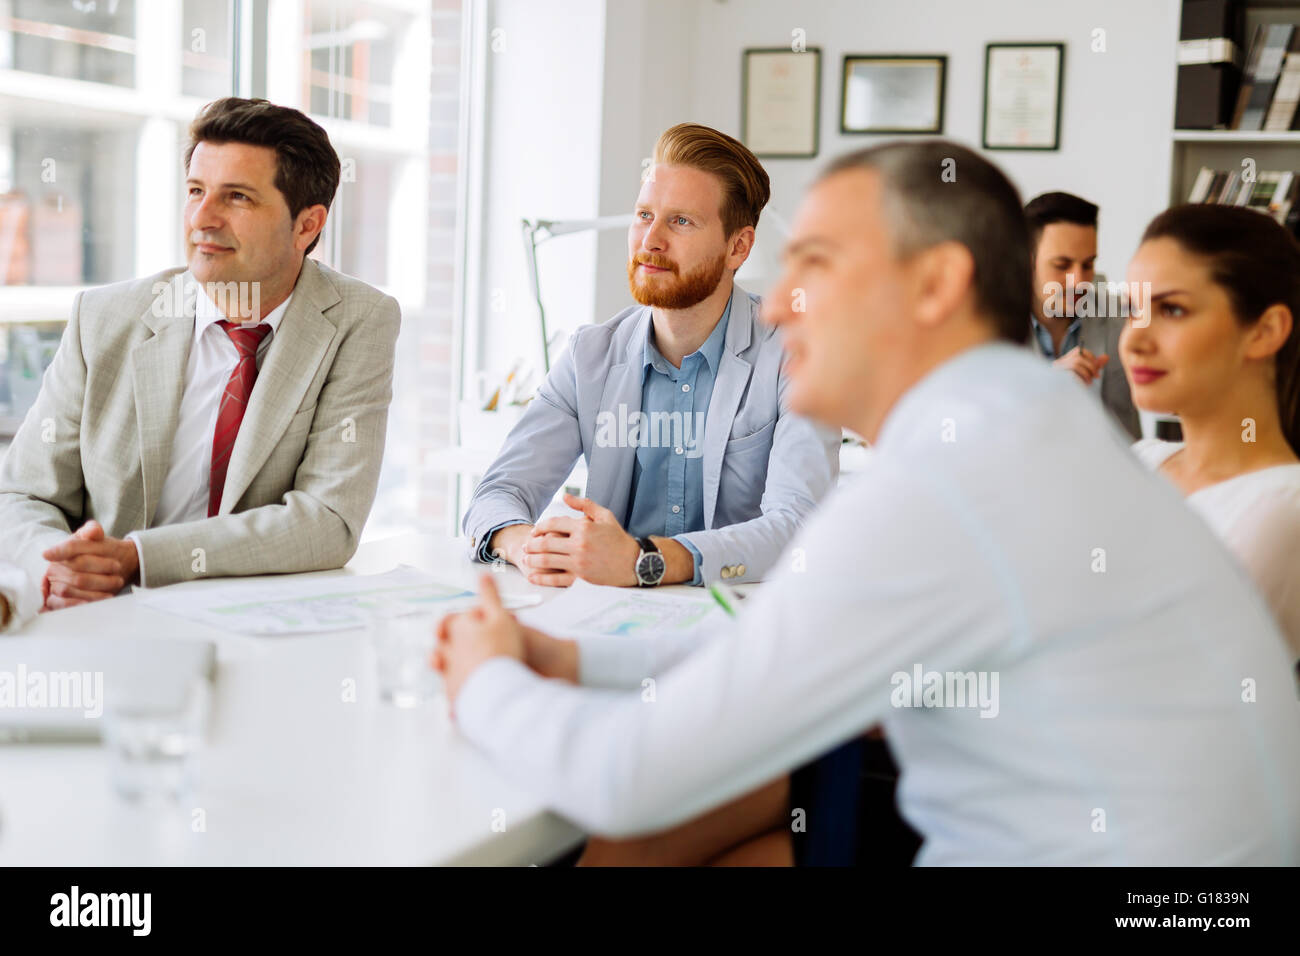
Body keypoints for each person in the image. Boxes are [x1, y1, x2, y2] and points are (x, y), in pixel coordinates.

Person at [434, 140, 1300, 866]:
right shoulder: (1015, 426)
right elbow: (768, 642)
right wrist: (569, 660)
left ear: (934, 286)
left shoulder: (947, 484)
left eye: (816, 264)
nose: (782, 301)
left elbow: (623, 778)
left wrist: (482, 679)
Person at [0, 98, 400, 612]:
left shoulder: (358, 320)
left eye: (237, 197)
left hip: (257, 625)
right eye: (195, 191)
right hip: (104, 614)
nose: (202, 219)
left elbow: (327, 520)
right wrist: (56, 561)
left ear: (306, 226)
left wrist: (138, 556)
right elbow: (23, 495)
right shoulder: (103, 317)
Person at [462, 123, 839, 589]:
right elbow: (497, 494)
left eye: (681, 221)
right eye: (644, 215)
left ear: (738, 247)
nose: (650, 241)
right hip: (613, 618)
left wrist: (648, 561)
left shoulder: (796, 353)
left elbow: (796, 527)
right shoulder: (589, 355)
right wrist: (527, 546)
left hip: (742, 621)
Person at [1123, 203, 1300, 662]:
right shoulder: (1141, 458)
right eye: (1131, 310)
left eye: (1172, 310)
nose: (1135, 340)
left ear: (1264, 331)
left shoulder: (1280, 511)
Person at [1024, 191, 1141, 439]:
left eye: (1087, 264)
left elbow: (1125, 439)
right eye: (1062, 266)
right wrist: (1046, 387)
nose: (1079, 281)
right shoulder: (988, 323)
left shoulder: (1117, 321)